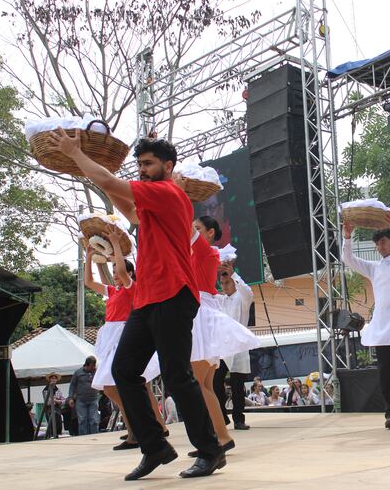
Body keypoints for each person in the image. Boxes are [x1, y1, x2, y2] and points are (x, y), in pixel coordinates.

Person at [49, 132, 224, 480]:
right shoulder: (154, 200)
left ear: (168, 166)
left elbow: (110, 182)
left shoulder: (168, 192)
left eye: (148, 164)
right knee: (124, 371)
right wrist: (107, 183)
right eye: (139, 164)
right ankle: (155, 446)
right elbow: (127, 207)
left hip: (174, 293)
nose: (142, 170)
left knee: (178, 375)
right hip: (146, 298)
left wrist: (76, 154)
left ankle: (210, 450)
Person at [84, 234, 167, 449]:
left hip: (124, 336)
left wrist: (116, 252)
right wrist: (88, 256)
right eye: (113, 273)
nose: (116, 276)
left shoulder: (133, 288)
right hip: (112, 337)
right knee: (126, 387)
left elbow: (122, 271)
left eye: (118, 272)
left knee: (119, 386)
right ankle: (142, 426)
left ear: (130, 273)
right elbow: (88, 282)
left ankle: (140, 426)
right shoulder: (113, 291)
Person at [187, 216, 260, 459]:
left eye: (198, 229)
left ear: (209, 233)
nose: (193, 232)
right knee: (206, 385)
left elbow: (183, 227)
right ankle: (221, 436)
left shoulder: (207, 253)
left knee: (200, 385)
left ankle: (215, 438)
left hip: (199, 315)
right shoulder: (205, 255)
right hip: (201, 313)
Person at [342, 211, 390, 429]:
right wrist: (347, 237)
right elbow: (348, 259)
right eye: (377, 243)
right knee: (384, 372)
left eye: (383, 241)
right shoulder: (374, 268)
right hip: (381, 326)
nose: (380, 246)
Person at [214, 249, 255, 431]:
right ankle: (221, 416)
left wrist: (233, 274)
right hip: (222, 347)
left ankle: (239, 419)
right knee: (215, 381)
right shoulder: (220, 300)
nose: (224, 286)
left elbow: (248, 293)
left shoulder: (242, 298)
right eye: (222, 283)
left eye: (227, 282)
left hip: (238, 346)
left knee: (238, 385)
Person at [68, 356, 100, 435]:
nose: (94, 367)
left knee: (94, 420)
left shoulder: (97, 372)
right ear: (87, 365)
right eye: (92, 365)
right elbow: (72, 385)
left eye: (94, 365)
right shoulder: (78, 373)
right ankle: (83, 438)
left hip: (93, 399)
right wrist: (70, 398)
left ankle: (95, 437)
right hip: (81, 400)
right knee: (82, 420)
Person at [41, 372, 64, 437]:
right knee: (51, 425)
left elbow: (63, 400)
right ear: (50, 379)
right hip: (49, 409)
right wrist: (57, 400)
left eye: (55, 378)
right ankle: (52, 436)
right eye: (52, 378)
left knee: (59, 424)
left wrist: (55, 400)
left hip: (57, 409)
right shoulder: (45, 390)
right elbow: (48, 402)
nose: (54, 380)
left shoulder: (58, 390)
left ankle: (58, 435)